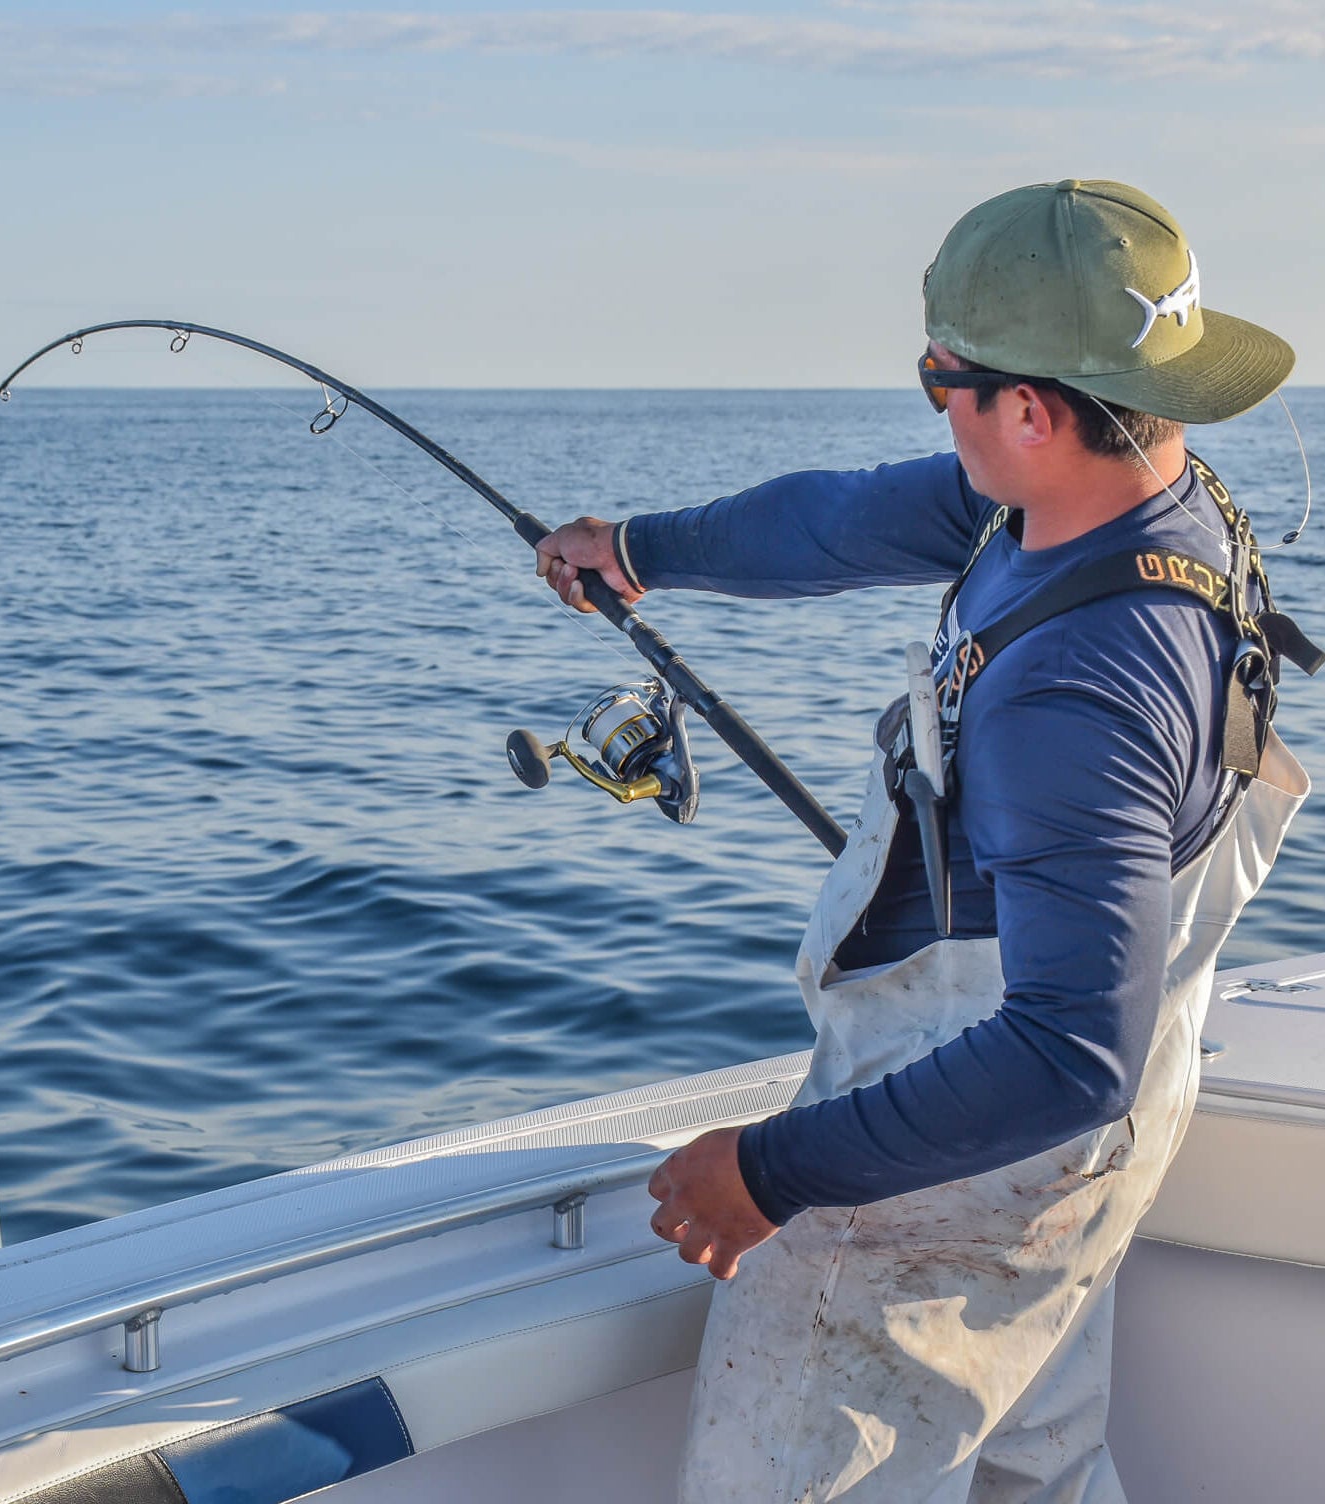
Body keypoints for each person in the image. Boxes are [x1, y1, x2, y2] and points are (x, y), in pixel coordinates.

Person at [534, 179, 1315, 1501]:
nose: (934, 407)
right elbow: (841, 518)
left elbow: (1068, 1052)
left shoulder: (1081, 686)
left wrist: (771, 1174)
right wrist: (641, 548)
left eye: (936, 378)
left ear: (1028, 409)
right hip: (1087, 1140)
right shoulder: (1113, 501)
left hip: (982, 1137)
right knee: (1033, 1466)